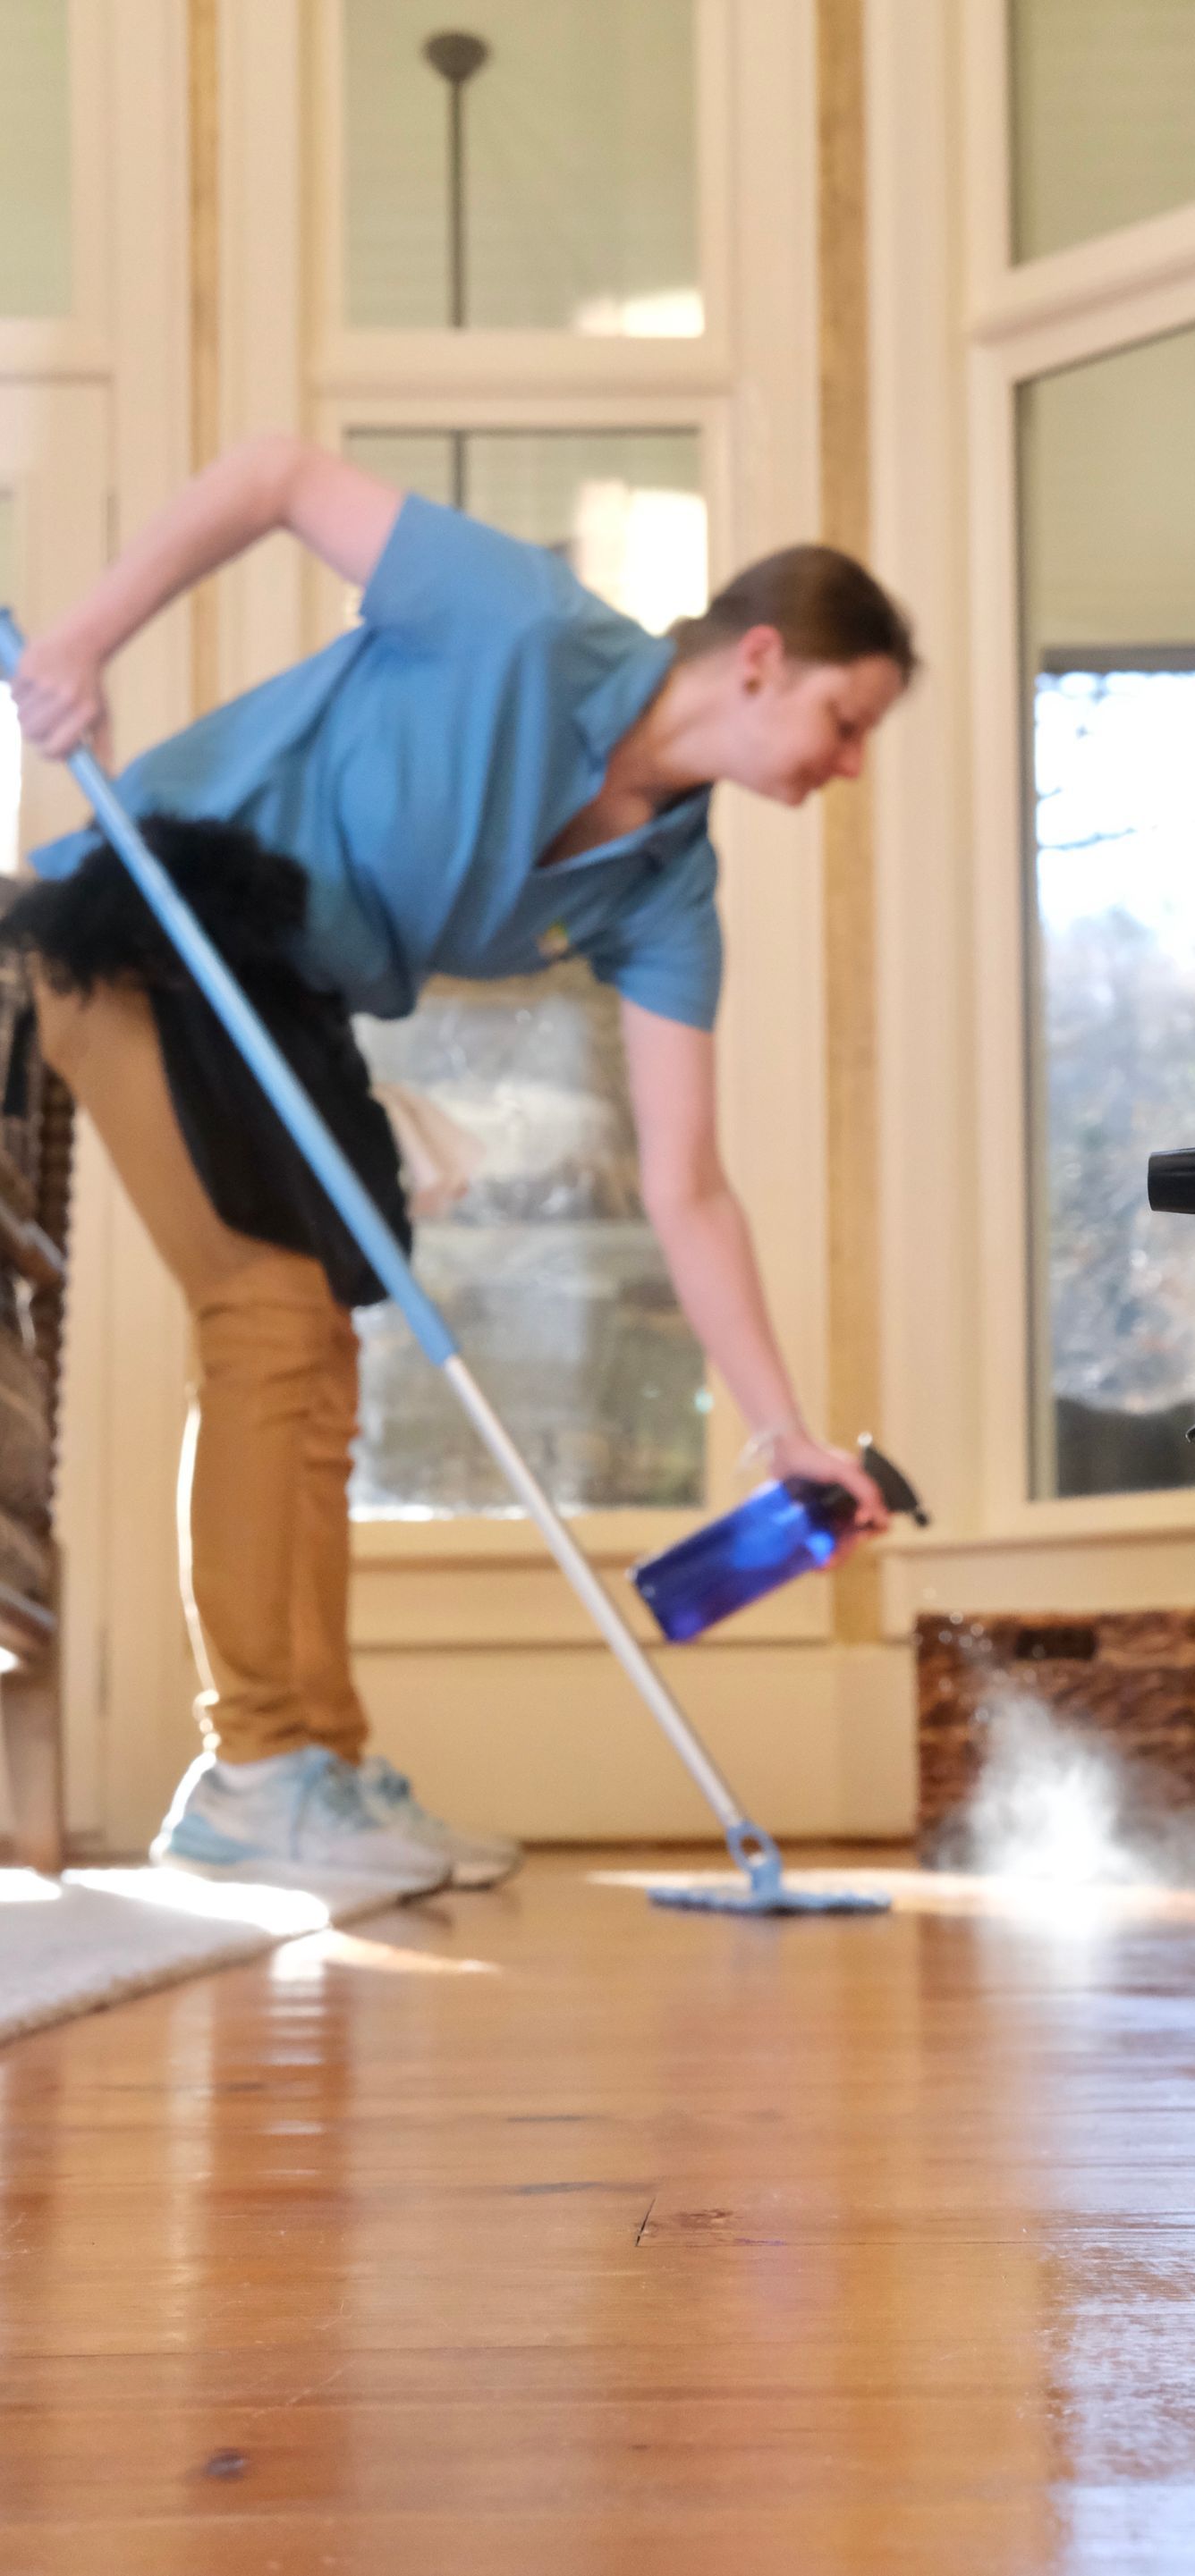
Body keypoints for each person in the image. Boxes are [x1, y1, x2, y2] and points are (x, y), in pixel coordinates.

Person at [6, 435, 912, 1896]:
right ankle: (253, 1769)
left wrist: (781, 1432)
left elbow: (686, 1182)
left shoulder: (667, 891)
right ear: (761, 659)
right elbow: (278, 476)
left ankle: (315, 1762)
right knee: (267, 1321)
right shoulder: (524, 622)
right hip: (149, 917)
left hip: (288, 996)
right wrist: (84, 639)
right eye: (845, 719)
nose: (851, 763)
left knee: (320, 1354)